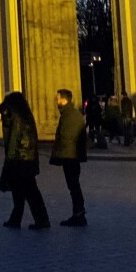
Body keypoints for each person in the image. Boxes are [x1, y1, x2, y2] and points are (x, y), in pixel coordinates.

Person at [0, 92, 49, 229]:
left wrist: (9, 159)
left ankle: (40, 220)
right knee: (23, 190)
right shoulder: (25, 115)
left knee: (27, 191)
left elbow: (14, 139)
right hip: (27, 158)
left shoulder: (17, 117)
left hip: (20, 159)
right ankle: (22, 218)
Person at [51, 89, 88, 226]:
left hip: (70, 157)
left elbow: (67, 138)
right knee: (74, 186)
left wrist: (60, 155)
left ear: (64, 99)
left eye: (58, 99)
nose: (56, 101)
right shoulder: (70, 114)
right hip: (71, 156)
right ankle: (78, 213)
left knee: (74, 186)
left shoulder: (69, 115)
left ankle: (79, 214)